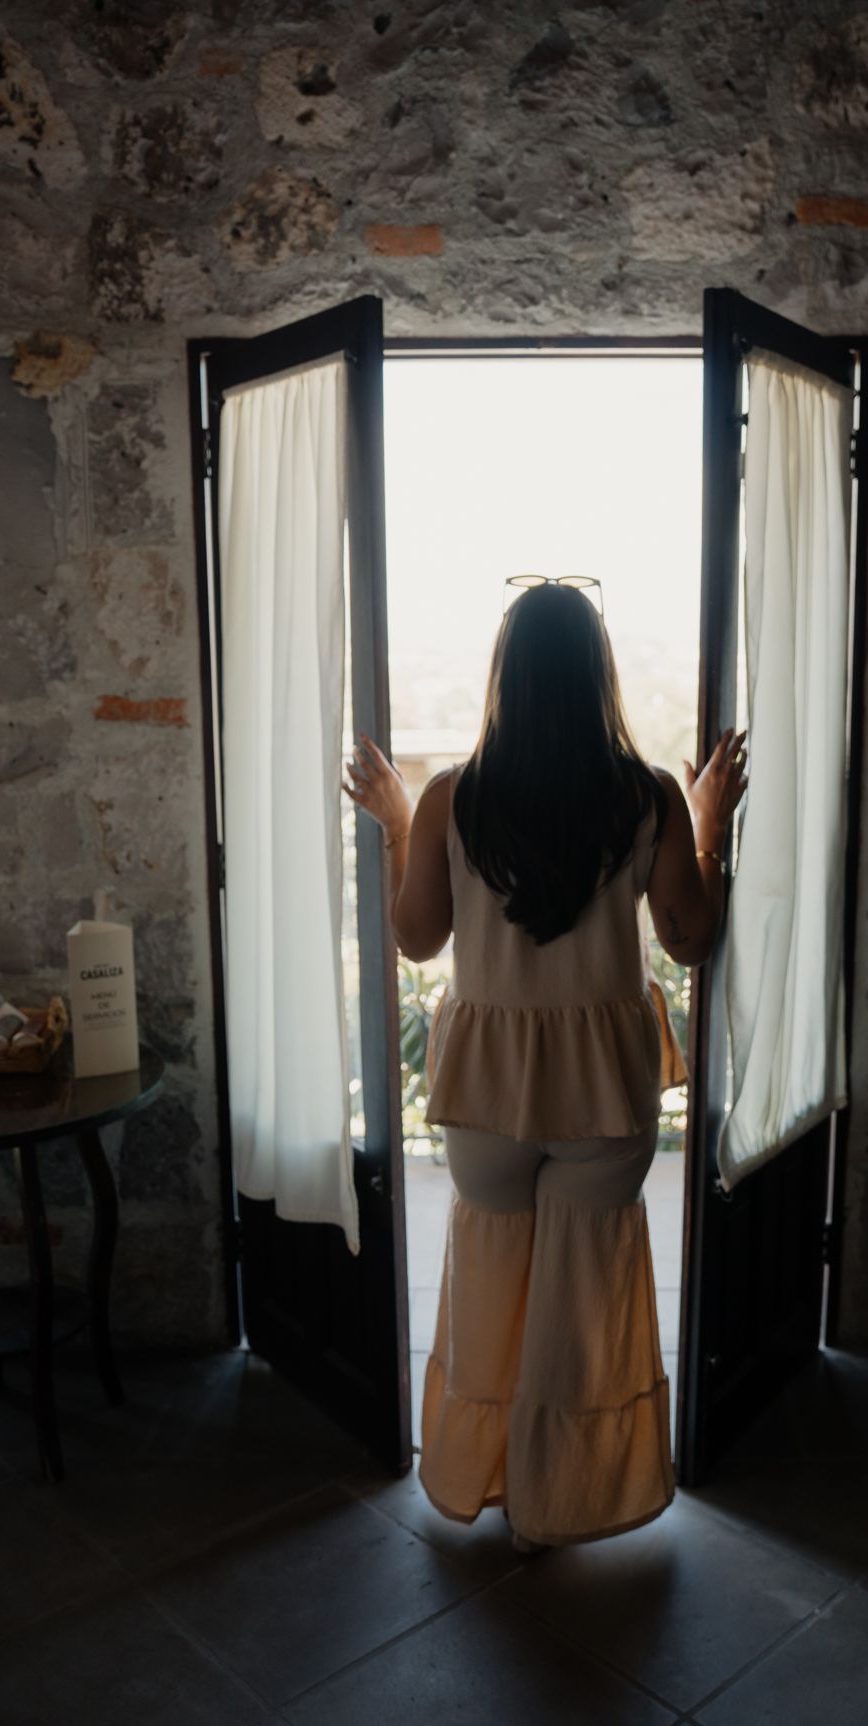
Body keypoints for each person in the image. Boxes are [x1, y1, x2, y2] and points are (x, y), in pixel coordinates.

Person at [342, 581, 746, 1552]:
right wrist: (709, 823)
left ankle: (484, 1476)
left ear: (505, 681)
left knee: (490, 1283)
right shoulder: (642, 795)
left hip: (489, 1088)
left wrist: (398, 824)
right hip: (603, 1083)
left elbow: (416, 937)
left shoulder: (455, 798)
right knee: (583, 1295)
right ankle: (561, 1498)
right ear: (596, 678)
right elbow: (690, 940)